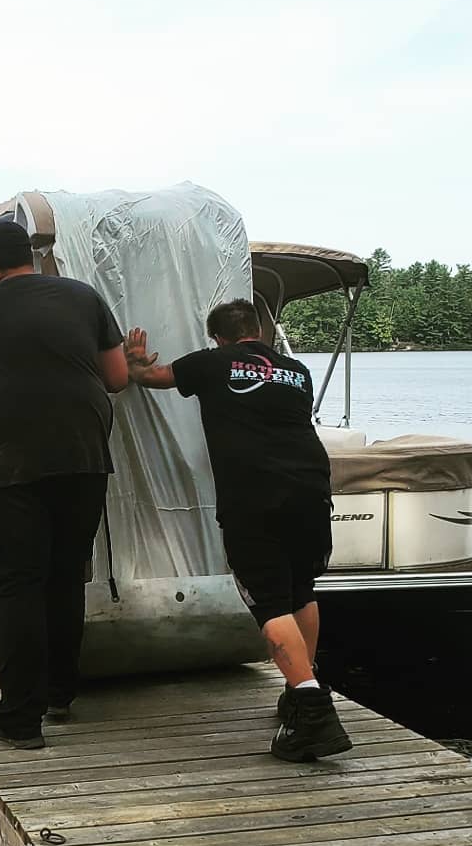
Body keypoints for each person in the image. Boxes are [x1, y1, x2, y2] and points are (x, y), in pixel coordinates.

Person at [124, 300, 351, 761]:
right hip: (310, 488)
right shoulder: (297, 371)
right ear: (259, 330)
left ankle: (312, 711)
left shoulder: (210, 363)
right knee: (300, 591)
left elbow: (151, 379)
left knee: (267, 600)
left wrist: (134, 362)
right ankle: (300, 686)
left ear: (218, 337)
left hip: (254, 494)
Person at [0, 219, 128, 750]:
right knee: (65, 577)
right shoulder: (83, 296)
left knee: (17, 586)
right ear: (31, 255)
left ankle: (21, 720)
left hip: (10, 467)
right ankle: (60, 693)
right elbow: (116, 377)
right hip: (84, 457)